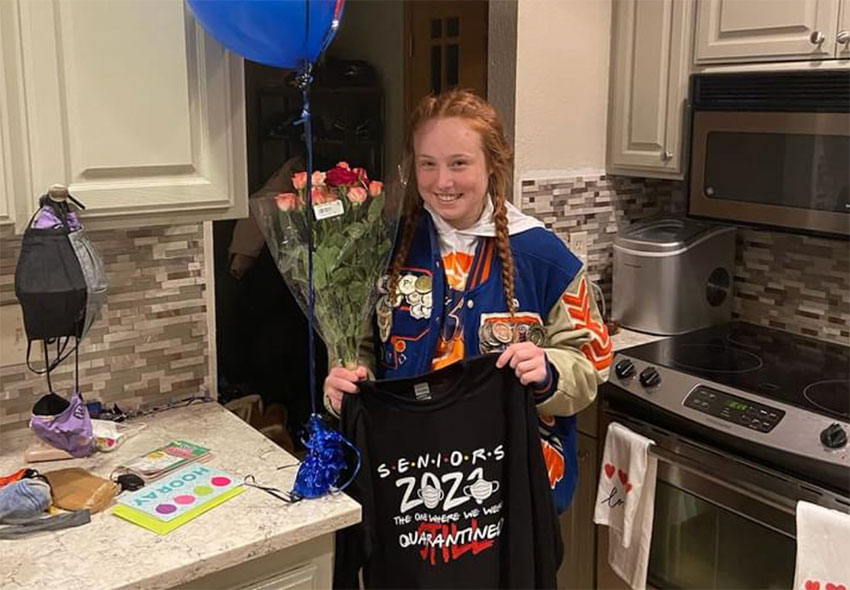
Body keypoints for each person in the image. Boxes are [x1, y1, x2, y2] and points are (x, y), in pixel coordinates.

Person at [323, 89, 612, 512]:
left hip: (511, 491)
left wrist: (549, 371)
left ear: (492, 164)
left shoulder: (545, 259)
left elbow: (590, 361)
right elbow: (359, 348)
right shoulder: (382, 250)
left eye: (459, 163)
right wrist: (346, 380)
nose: (443, 182)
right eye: (428, 164)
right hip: (406, 483)